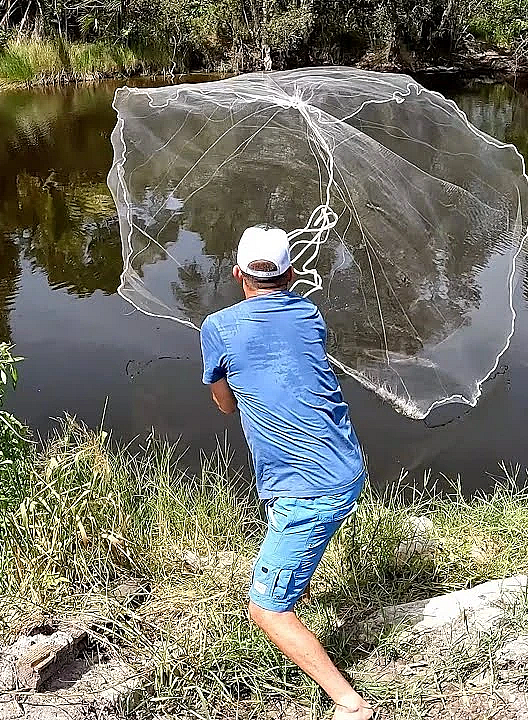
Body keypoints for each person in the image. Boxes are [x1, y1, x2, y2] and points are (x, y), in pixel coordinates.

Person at [200, 225, 373, 720]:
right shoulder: (308, 314)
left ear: (237, 275)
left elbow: (225, 405)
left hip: (308, 489)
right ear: (292, 274)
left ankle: (349, 703)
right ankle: (296, 584)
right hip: (345, 464)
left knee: (265, 609)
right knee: (293, 554)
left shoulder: (218, 328)